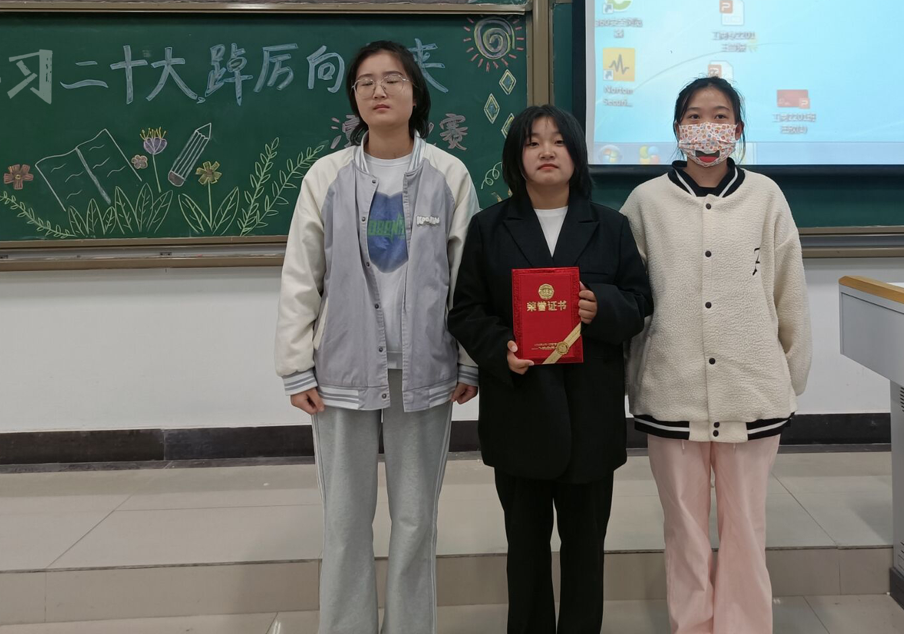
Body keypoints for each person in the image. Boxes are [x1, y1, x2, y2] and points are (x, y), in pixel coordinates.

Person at [275, 39, 480, 634]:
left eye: (393, 79)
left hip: (425, 369)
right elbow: (301, 274)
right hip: (342, 369)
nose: (378, 90)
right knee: (344, 520)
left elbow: (467, 276)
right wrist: (295, 364)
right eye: (365, 82)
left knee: (415, 520)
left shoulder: (449, 174)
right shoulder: (326, 176)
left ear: (416, 94)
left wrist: (470, 361)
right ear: (354, 99)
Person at [449, 105, 652, 634]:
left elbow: (640, 303)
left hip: (590, 418)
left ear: (576, 155)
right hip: (519, 414)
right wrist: (501, 349)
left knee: (586, 553)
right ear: (516, 158)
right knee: (525, 553)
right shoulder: (489, 227)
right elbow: (466, 310)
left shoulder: (611, 226)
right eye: (533, 142)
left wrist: (601, 307)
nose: (546, 151)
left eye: (559, 142)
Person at [621, 76, 812, 634]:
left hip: (752, 391)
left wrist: (789, 375)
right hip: (671, 389)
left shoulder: (766, 196)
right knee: (683, 529)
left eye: (720, 116)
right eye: (695, 116)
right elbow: (632, 299)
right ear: (678, 128)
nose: (708, 127)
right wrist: (634, 380)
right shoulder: (646, 202)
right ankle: (692, 625)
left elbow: (790, 291)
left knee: (746, 527)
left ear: (739, 128)